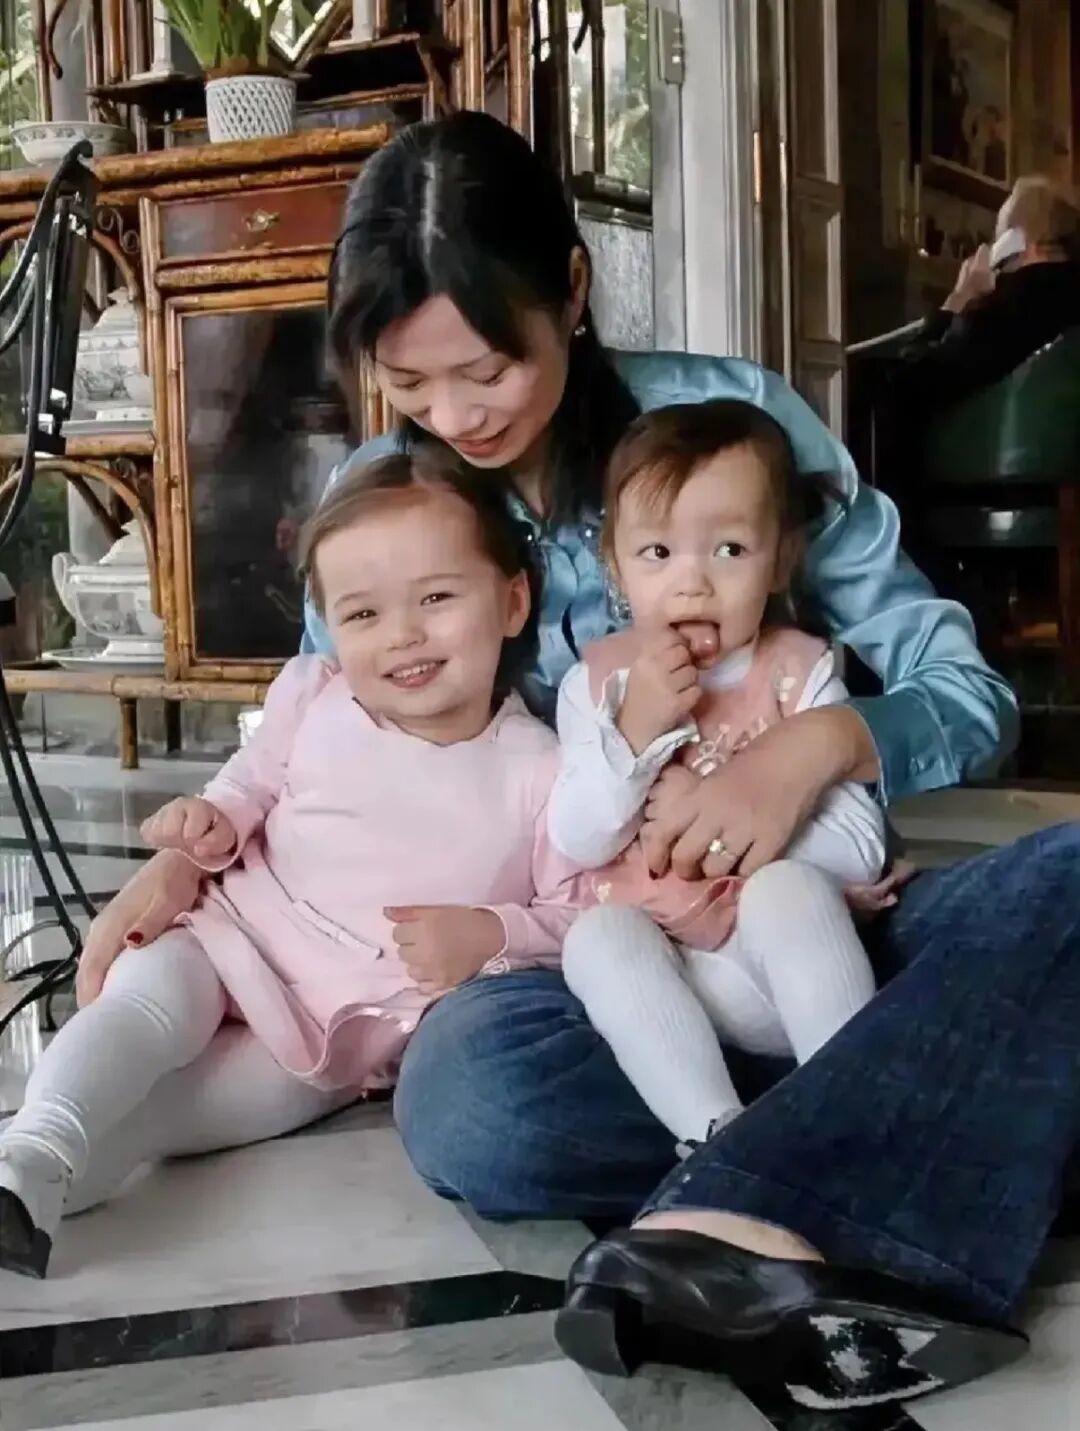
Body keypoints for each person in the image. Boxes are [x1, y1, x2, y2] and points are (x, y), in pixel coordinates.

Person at [74, 113, 1079, 1409]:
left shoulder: (729, 425)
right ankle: (931, 1101)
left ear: (573, 290)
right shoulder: (387, 496)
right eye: (409, 380)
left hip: (810, 927)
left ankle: (743, 1197)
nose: (453, 416)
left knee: (1063, 882)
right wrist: (183, 874)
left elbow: (967, 691)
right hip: (575, 973)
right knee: (471, 1096)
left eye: (487, 367)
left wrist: (818, 746)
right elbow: (310, 740)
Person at [0, 450, 584, 1278]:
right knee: (143, 1008)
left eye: (437, 598)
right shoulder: (317, 693)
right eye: (364, 613)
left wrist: (494, 933)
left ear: (514, 599)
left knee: (163, 1121)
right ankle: (35, 1143)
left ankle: (29, 1192)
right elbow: (251, 782)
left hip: (334, 1031)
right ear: (330, 626)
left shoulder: (542, 771)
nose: (403, 634)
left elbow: (572, 913)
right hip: (230, 933)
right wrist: (211, 824)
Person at [550, 400, 890, 1147]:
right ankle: (717, 1136)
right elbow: (577, 837)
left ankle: (854, 1119)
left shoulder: (798, 670)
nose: (692, 584)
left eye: (730, 549)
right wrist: (634, 731)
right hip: (672, 980)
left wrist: (726, 825)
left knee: (787, 888)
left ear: (782, 558)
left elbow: (862, 846)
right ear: (614, 563)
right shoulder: (598, 684)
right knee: (596, 939)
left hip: (782, 974)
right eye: (657, 552)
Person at [891, 175, 1080, 411]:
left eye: (998, 238)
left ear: (1015, 243)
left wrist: (959, 299)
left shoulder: (1010, 311)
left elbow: (905, 388)